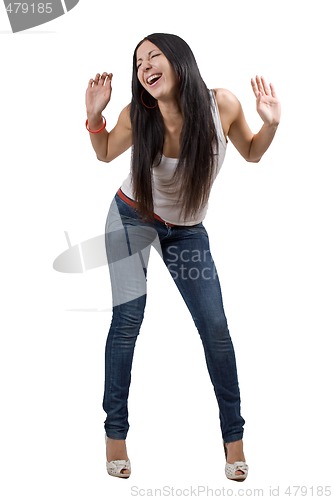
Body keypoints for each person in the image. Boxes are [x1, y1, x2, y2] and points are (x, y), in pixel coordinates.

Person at [85, 33, 281, 481]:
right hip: (132, 218)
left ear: (179, 60)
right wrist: (94, 115)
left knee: (214, 325)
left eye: (153, 56)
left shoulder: (222, 105)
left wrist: (269, 125)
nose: (145, 67)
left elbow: (251, 153)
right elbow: (103, 154)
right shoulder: (138, 114)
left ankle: (234, 441)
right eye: (138, 63)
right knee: (128, 319)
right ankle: (115, 435)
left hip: (187, 232)